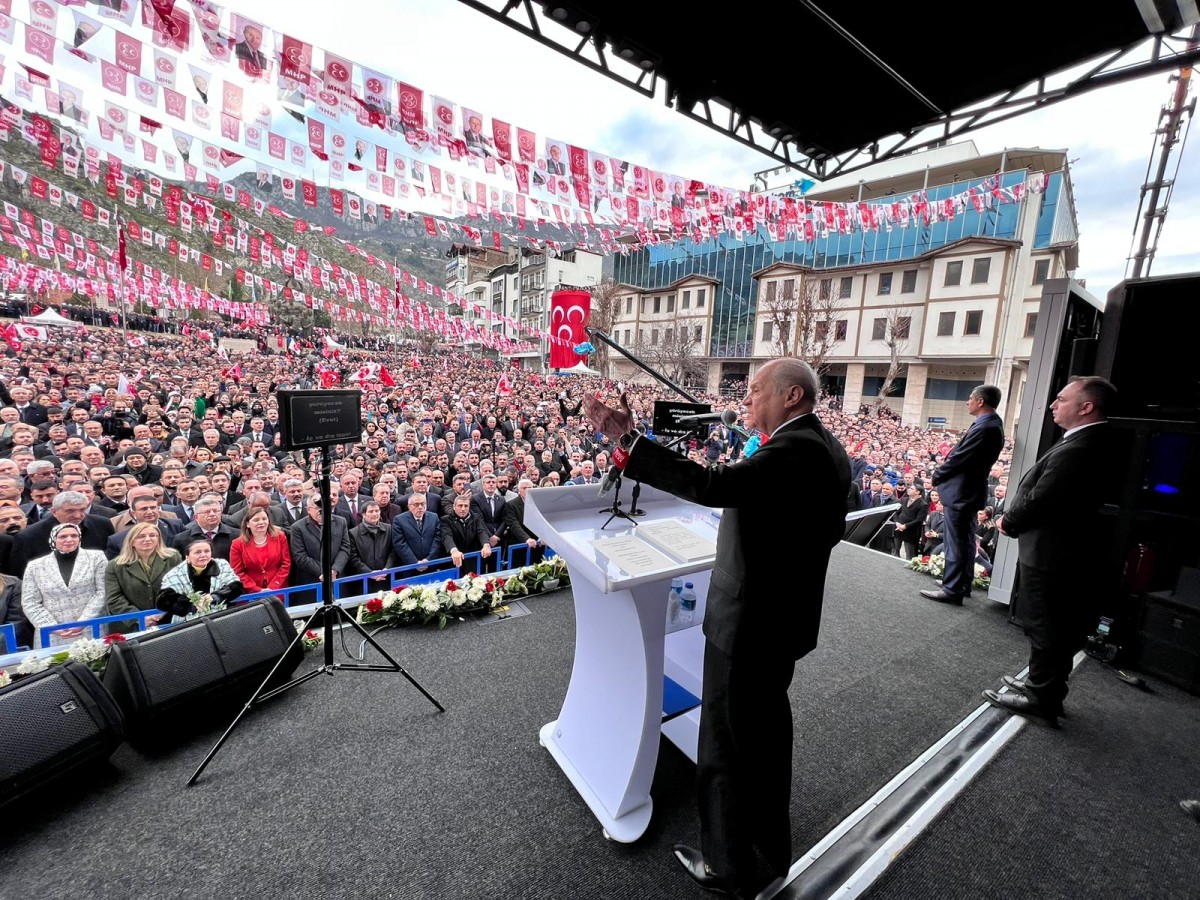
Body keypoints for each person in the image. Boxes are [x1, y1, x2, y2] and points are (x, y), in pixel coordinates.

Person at [584, 358, 850, 899]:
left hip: (750, 622)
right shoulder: (825, 445)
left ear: (793, 395)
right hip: (781, 617)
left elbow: (712, 484)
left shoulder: (795, 448)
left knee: (726, 744)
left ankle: (728, 867)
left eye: (756, 390)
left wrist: (631, 444)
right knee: (765, 737)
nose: (748, 399)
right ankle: (767, 852)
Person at [988, 376, 1117, 724]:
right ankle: (1041, 685)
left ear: (1086, 407)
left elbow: (1043, 497)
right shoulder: (1090, 440)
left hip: (1052, 552)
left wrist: (1009, 522)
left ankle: (1042, 699)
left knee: (1045, 625)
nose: (1052, 404)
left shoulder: (1081, 447)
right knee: (1053, 624)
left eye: (1061, 399)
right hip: (1060, 550)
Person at [921, 385, 1004, 604]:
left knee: (957, 542)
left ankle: (953, 589)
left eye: (970, 398)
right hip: (966, 491)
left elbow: (960, 458)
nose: (967, 402)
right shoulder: (989, 424)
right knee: (964, 540)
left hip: (962, 492)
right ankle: (960, 583)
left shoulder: (986, 427)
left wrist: (937, 475)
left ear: (980, 402)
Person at [21, 523, 108, 646]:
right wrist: (51, 627)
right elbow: (30, 602)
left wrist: (83, 621)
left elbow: (102, 592)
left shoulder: (96, 557)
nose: (69, 540)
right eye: (63, 537)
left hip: (90, 628)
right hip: (52, 634)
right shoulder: (35, 566)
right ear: (53, 539)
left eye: (74, 535)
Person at [104, 522, 181, 634]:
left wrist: (161, 613)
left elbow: (180, 587)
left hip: (169, 622)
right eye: (141, 536)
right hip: (132, 628)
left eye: (153, 535)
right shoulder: (115, 566)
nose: (148, 539)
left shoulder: (173, 557)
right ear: (132, 541)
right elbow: (114, 599)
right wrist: (139, 618)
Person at [157, 539, 245, 623]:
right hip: (186, 622)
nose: (203, 555)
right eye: (197, 552)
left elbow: (236, 586)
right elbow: (164, 599)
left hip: (219, 617)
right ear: (187, 557)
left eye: (207, 551)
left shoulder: (222, 565)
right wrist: (192, 605)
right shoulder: (175, 573)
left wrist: (215, 597)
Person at [230, 506, 291, 594]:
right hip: (251, 593)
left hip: (278, 590)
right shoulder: (237, 544)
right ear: (247, 524)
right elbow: (237, 572)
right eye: (256, 520)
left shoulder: (280, 536)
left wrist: (273, 586)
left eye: (264, 519)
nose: (261, 522)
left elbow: (286, 564)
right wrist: (256, 589)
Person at [442, 492, 492, 577]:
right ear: (454, 507)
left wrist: (486, 544)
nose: (463, 509)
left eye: (466, 506)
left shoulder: (476, 517)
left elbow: (481, 531)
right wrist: (453, 550)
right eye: (460, 506)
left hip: (474, 560)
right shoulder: (446, 520)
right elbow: (447, 536)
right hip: (456, 561)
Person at [892, 482, 927, 560]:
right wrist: (897, 522)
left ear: (918, 492)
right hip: (898, 528)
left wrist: (905, 526)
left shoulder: (923, 504)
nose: (909, 490)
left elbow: (919, 520)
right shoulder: (904, 500)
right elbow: (896, 512)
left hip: (911, 531)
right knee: (895, 552)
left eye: (911, 489)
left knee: (909, 555)